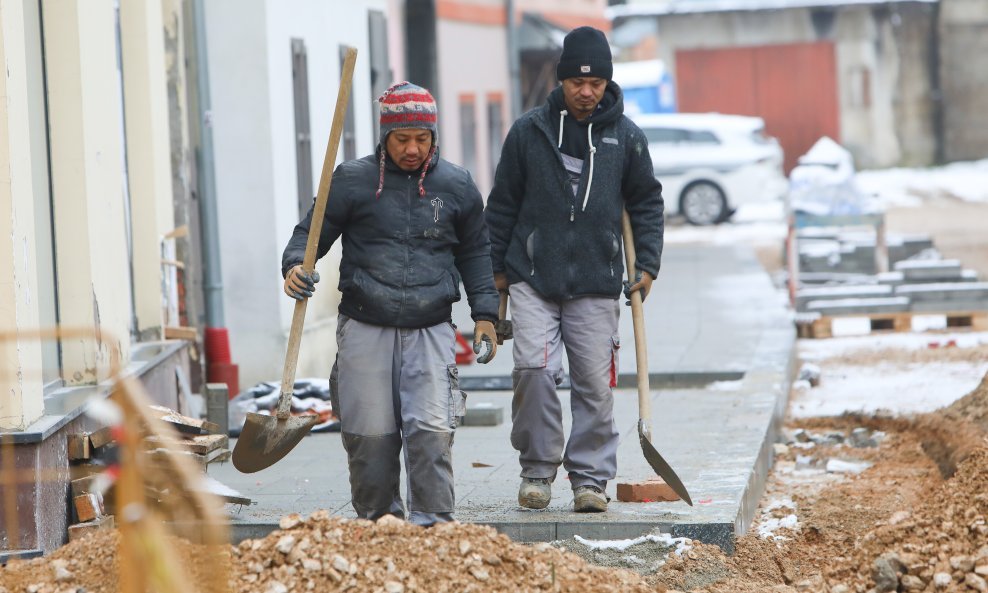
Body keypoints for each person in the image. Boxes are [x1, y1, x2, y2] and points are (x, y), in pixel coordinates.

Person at [281, 81, 500, 526]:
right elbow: (310, 234)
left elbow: (476, 253)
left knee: (432, 432)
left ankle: (435, 524)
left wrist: (486, 315)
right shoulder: (351, 181)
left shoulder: (456, 186)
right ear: (385, 137)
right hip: (365, 326)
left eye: (423, 138)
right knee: (369, 434)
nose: (413, 149)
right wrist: (293, 266)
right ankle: (380, 522)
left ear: (434, 137)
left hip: (431, 328)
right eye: (403, 139)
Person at [485, 26, 664, 513]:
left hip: (597, 280)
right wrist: (494, 272)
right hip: (533, 276)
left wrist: (646, 263)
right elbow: (501, 206)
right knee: (535, 372)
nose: (586, 93)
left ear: (608, 83)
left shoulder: (626, 138)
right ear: (561, 81)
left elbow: (646, 202)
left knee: (593, 382)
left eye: (597, 84)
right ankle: (538, 471)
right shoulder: (528, 132)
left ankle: (590, 479)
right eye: (577, 83)